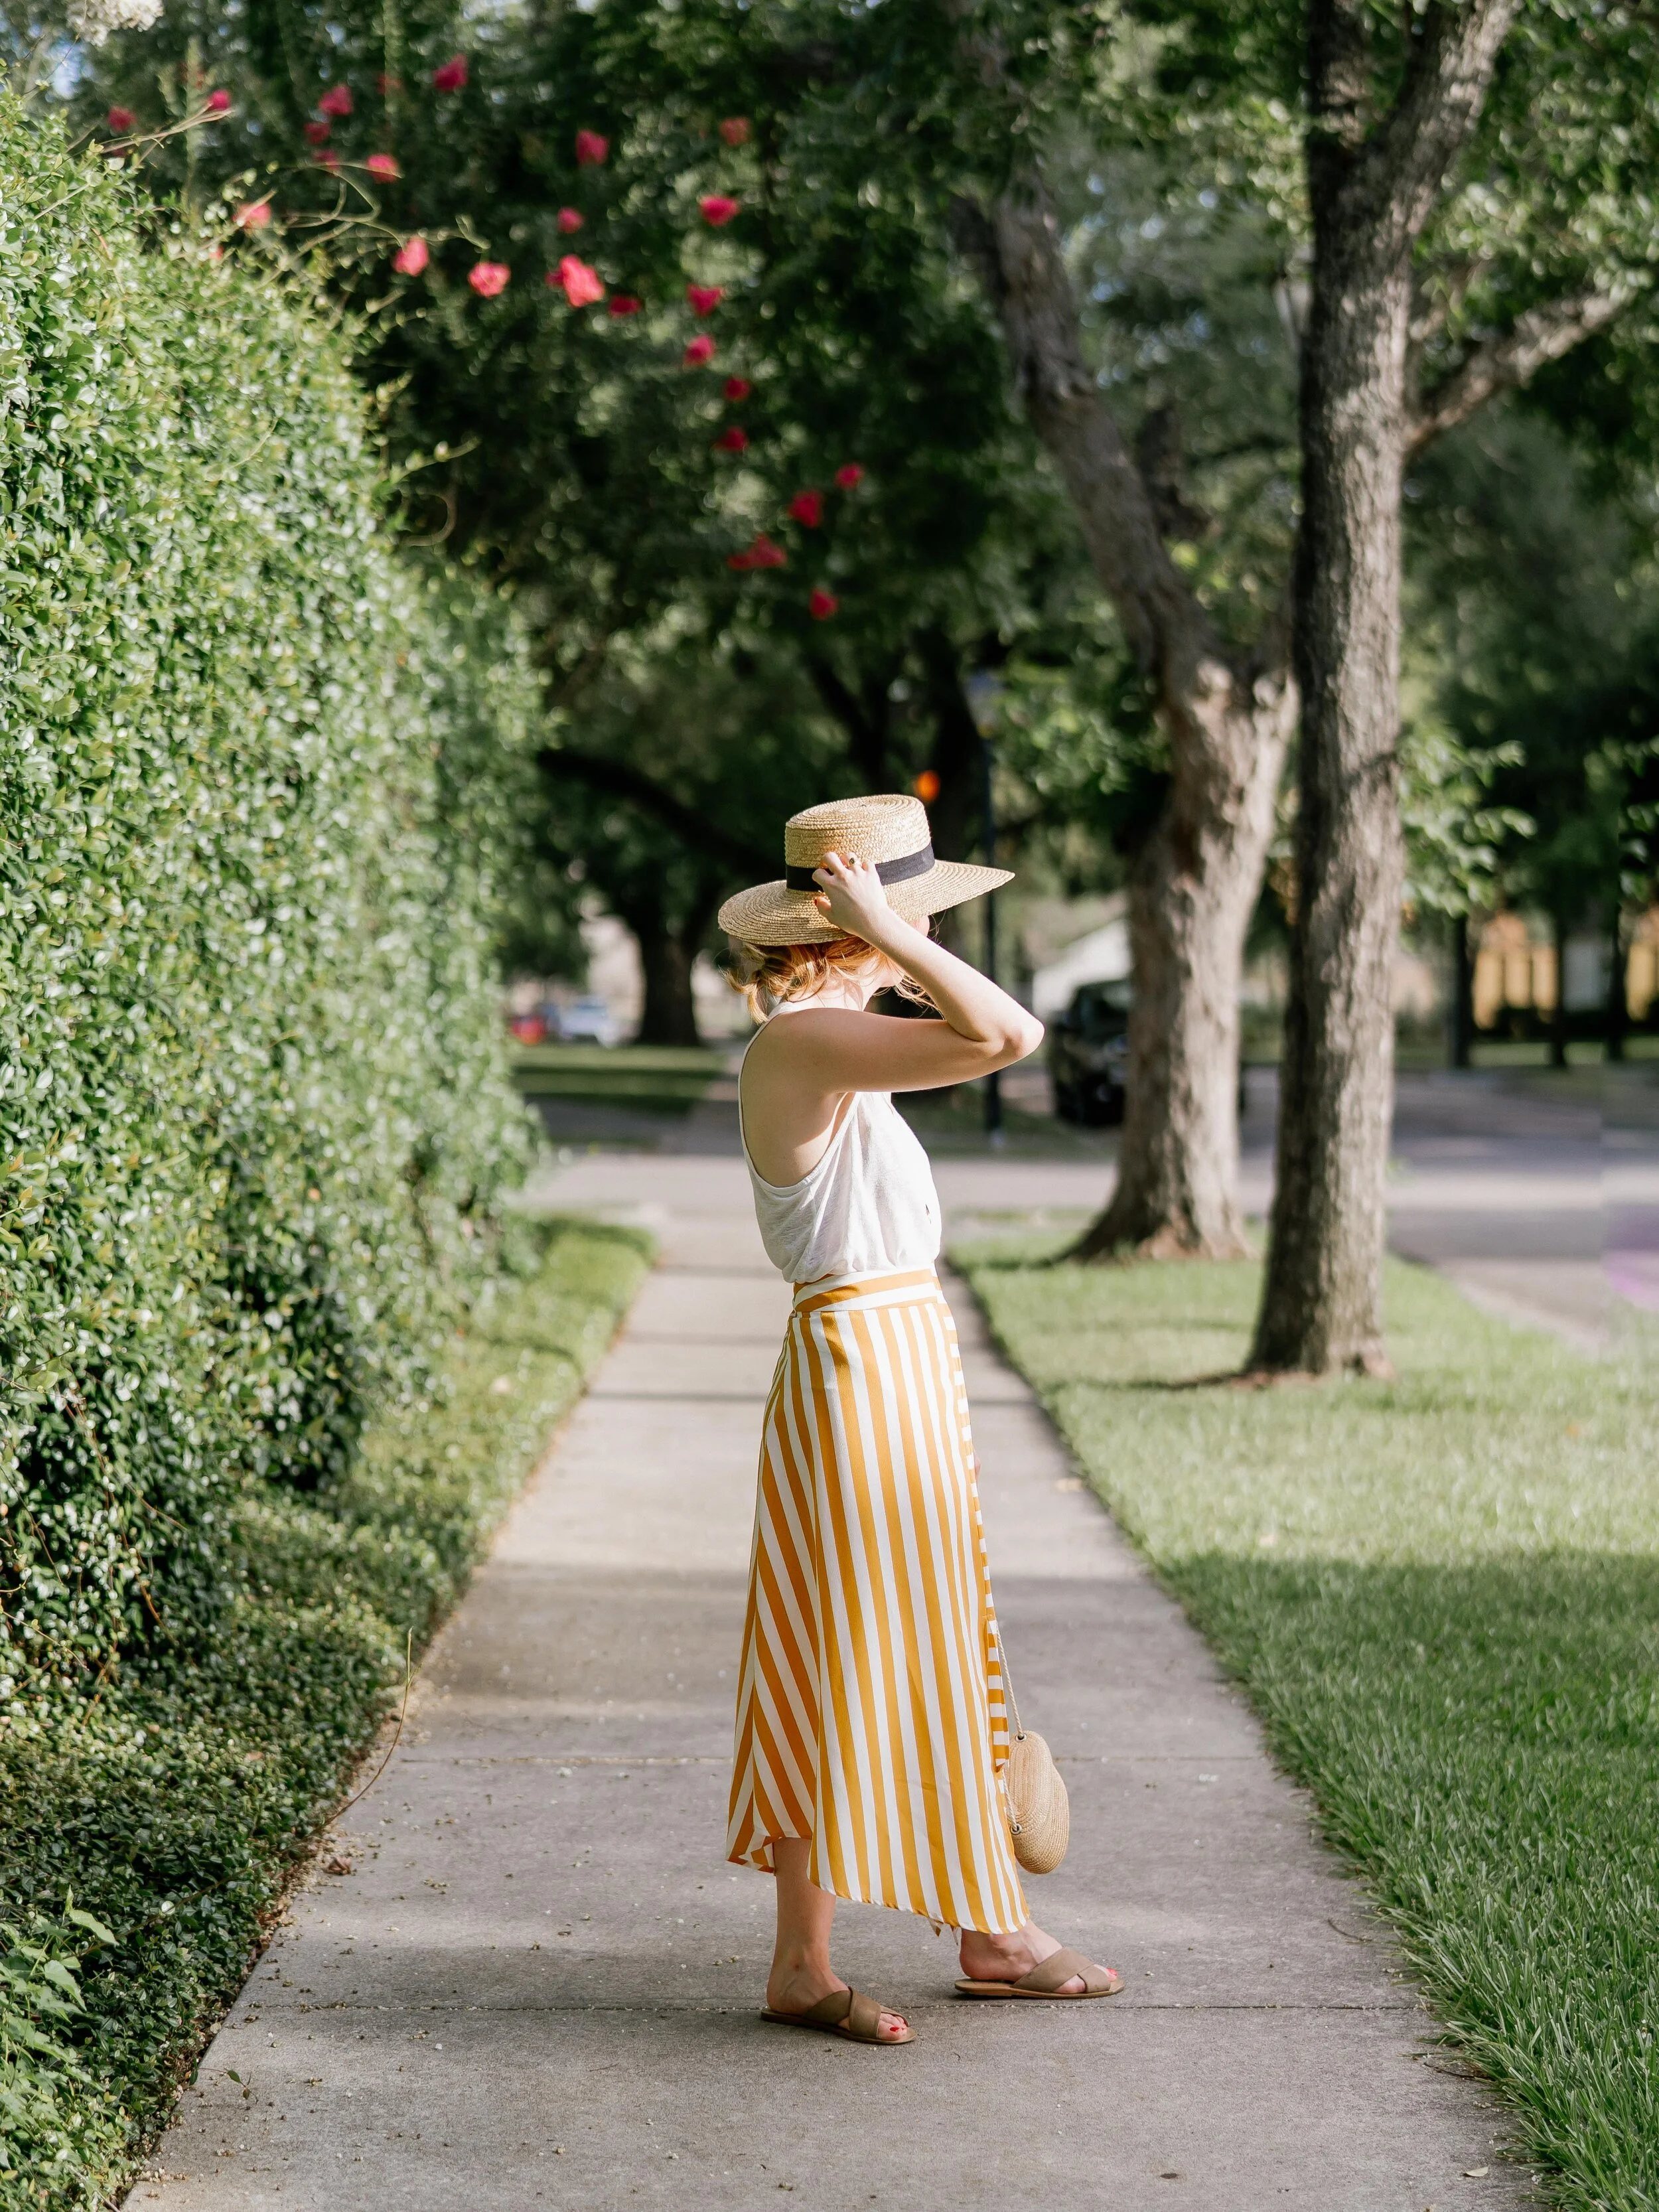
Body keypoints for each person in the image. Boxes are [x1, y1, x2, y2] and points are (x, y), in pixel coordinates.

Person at [717, 794, 1123, 2047]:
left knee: (918, 1642)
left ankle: (960, 1935)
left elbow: (987, 1035)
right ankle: (861, 1953)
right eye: (904, 912)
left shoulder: (840, 1038)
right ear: (838, 922)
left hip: (891, 1361)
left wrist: (883, 932)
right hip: (858, 1371)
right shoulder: (806, 1044)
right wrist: (893, 923)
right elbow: (1008, 1031)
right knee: (850, 1653)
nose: (917, 932)